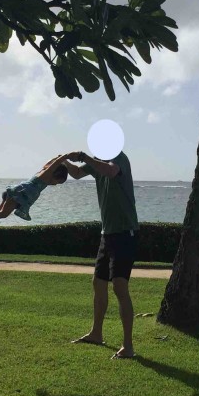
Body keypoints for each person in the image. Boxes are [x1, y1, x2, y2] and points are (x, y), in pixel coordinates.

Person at [65, 148, 139, 360]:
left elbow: (111, 171)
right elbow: (78, 173)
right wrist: (63, 162)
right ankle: (96, 333)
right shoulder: (97, 163)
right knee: (98, 283)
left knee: (119, 286)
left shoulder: (118, 159)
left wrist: (85, 157)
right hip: (107, 234)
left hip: (126, 233)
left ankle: (128, 346)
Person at [0, 154, 70, 237]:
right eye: (58, 181)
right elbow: (54, 164)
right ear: (55, 174)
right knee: (3, 213)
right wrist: (66, 156)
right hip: (19, 194)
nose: (56, 184)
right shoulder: (44, 175)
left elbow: (51, 163)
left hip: (19, 194)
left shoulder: (44, 176)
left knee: (0, 212)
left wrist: (59, 158)